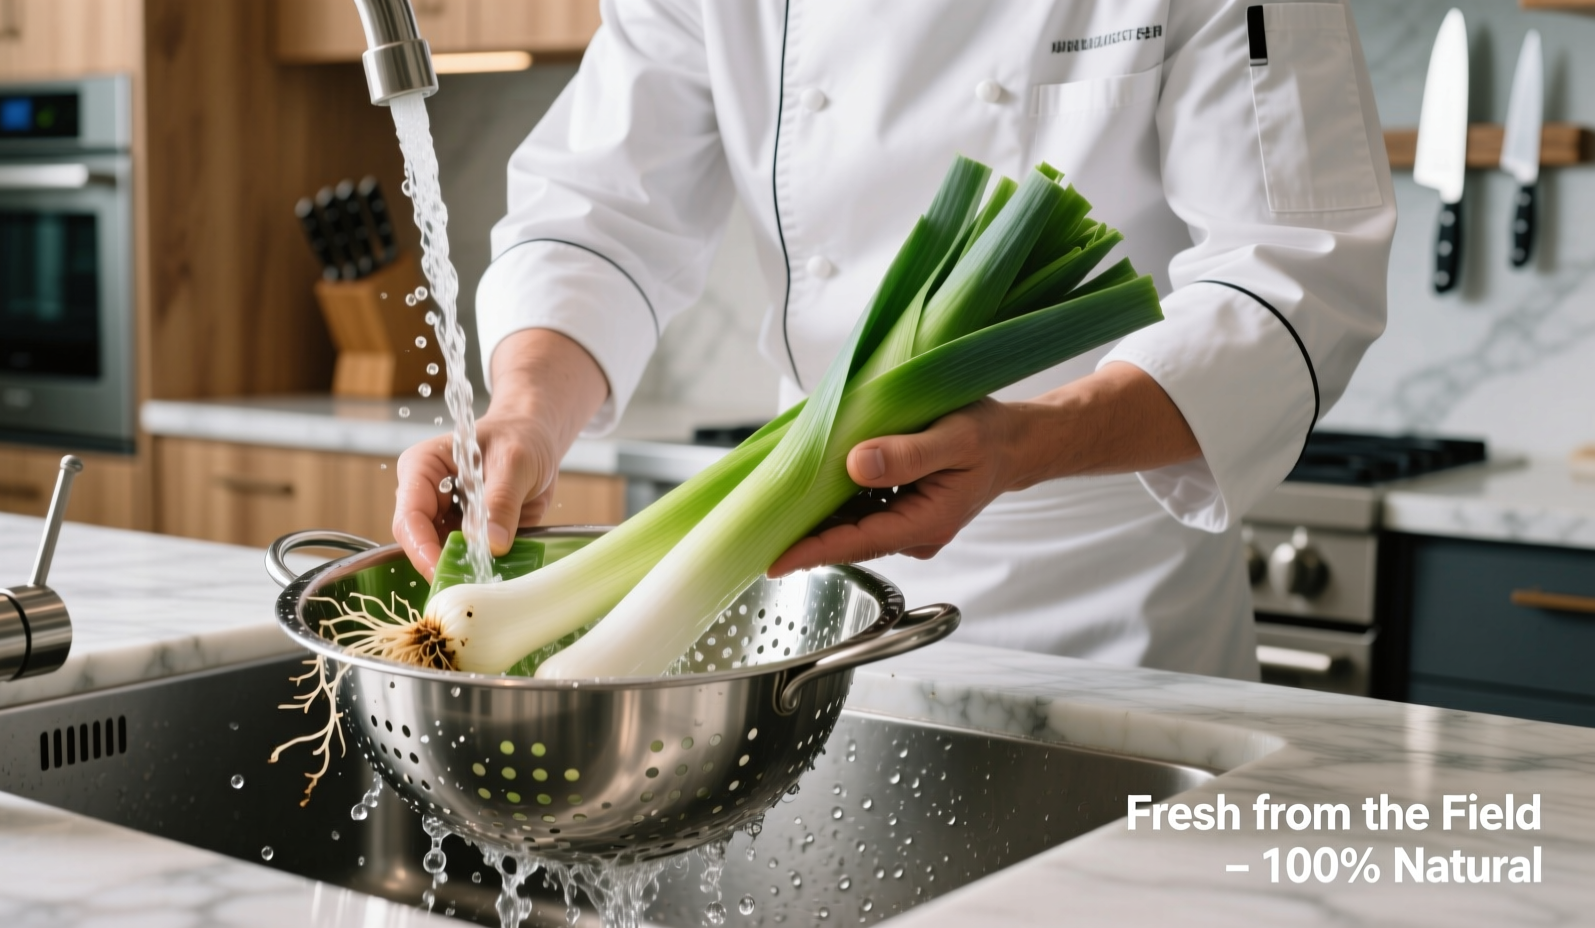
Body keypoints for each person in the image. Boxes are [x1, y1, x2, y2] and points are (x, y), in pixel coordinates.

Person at [393, 0, 1394, 680]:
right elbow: (599, 214)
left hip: (1109, 618)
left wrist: (1025, 441)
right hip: (806, 610)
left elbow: (1294, 272)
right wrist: (523, 408)